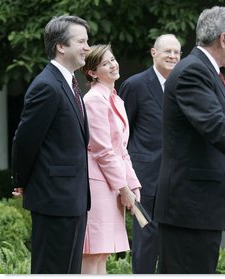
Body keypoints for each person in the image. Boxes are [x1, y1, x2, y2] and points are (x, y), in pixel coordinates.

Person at [154, 6, 225, 274]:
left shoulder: (207, 71)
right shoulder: (193, 72)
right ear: (223, 39)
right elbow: (217, 128)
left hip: (199, 208)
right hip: (190, 208)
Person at [11, 15, 91, 274]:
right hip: (54, 199)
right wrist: (21, 181)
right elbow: (25, 140)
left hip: (72, 199)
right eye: (81, 41)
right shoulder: (46, 86)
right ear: (61, 46)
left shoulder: (69, 83)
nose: (87, 47)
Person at [118, 34, 182, 274]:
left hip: (178, 179)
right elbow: (121, 134)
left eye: (177, 52)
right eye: (167, 51)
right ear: (153, 53)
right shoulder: (135, 85)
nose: (172, 56)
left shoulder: (184, 84)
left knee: (174, 244)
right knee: (146, 245)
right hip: (146, 178)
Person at [80, 44, 141, 274]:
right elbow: (102, 150)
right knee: (93, 253)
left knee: (103, 253)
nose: (113, 65)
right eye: (105, 63)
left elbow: (122, 150)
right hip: (97, 184)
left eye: (113, 59)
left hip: (112, 184)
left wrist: (133, 185)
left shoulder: (115, 99)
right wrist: (123, 187)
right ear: (92, 72)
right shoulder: (94, 99)